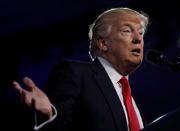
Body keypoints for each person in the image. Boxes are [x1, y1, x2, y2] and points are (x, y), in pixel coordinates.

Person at [13, 7, 149, 131]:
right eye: (127, 31)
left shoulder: (130, 98)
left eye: (141, 33)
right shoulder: (74, 73)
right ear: (103, 43)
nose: (138, 39)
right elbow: (60, 125)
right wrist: (48, 115)